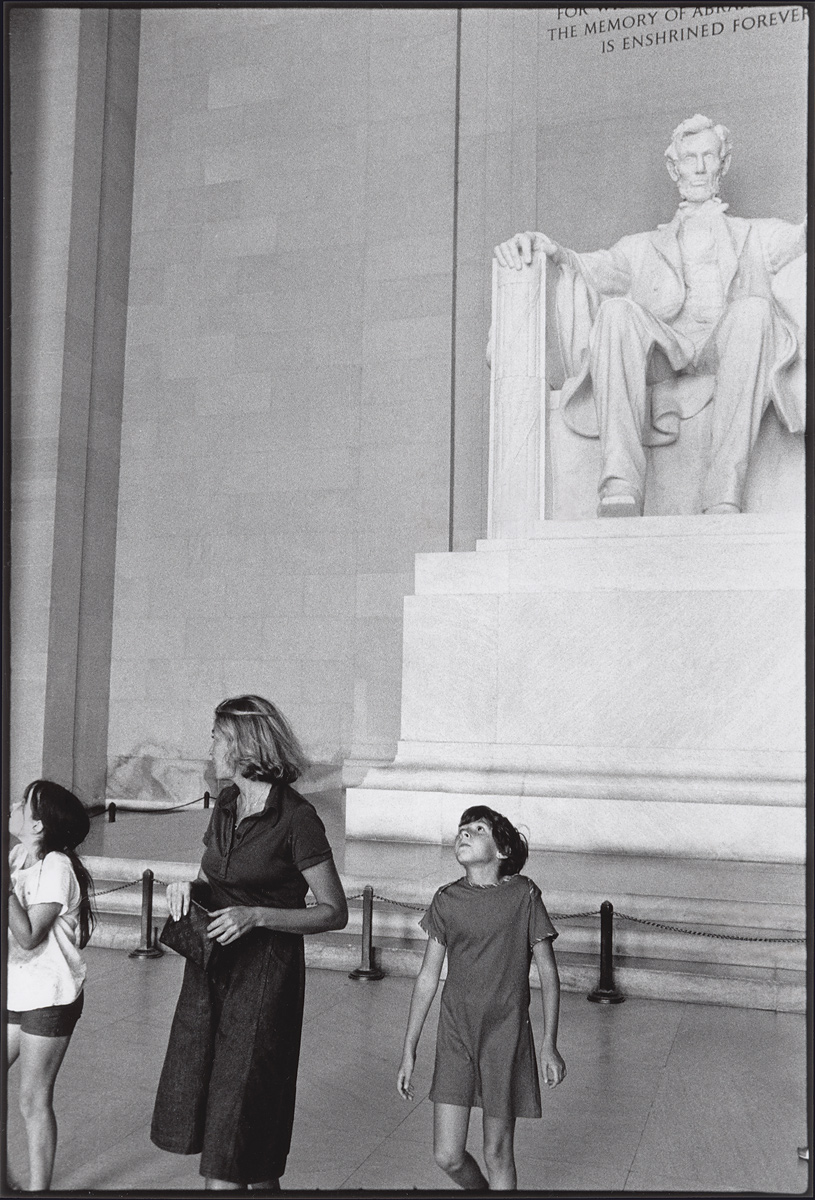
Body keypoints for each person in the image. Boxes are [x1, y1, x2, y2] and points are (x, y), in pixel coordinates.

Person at [495, 114, 807, 517]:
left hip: (730, 346)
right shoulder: (641, 246)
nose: (698, 167)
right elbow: (588, 267)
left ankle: (723, 491)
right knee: (617, 313)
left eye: (708, 157)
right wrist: (547, 248)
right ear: (673, 168)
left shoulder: (757, 235)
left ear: (722, 164)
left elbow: (800, 239)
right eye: (689, 158)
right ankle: (620, 484)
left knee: (754, 311)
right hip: (667, 350)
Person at [150, 694, 348, 1191]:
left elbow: (334, 911)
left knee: (234, 1148)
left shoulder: (297, 819)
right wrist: (184, 889)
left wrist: (256, 915)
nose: (211, 745)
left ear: (242, 744)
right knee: (249, 1159)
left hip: (264, 982)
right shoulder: (226, 804)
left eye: (216, 736)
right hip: (208, 973)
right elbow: (208, 880)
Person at [397, 805, 565, 1191]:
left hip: (505, 1035)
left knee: (497, 1152)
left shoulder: (523, 895)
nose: (464, 834)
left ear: (502, 850)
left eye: (477, 829)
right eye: (461, 830)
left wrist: (549, 1045)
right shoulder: (446, 900)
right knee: (447, 1155)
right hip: (456, 1034)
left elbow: (549, 974)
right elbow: (427, 978)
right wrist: (409, 1048)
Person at [7, 779, 96, 1192]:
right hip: (17, 989)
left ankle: (38, 1191)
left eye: (24, 803)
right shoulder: (19, 856)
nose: (13, 805)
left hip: (50, 996)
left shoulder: (57, 865)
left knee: (32, 1098)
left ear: (40, 826)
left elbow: (28, 936)